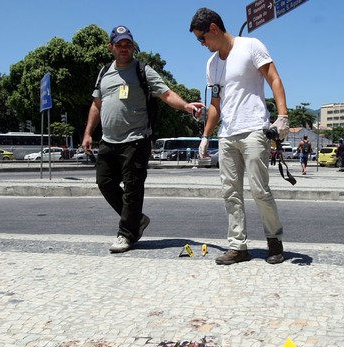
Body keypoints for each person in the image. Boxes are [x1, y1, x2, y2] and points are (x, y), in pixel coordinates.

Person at [82, 26, 204, 254]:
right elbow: (96, 105)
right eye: (119, 44)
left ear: (133, 46)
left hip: (136, 139)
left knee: (132, 188)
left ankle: (126, 234)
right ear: (111, 47)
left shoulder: (143, 70)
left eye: (128, 44)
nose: (124, 48)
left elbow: (166, 93)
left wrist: (187, 106)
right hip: (108, 140)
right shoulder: (104, 72)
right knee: (104, 182)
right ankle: (136, 219)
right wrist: (88, 132)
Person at [190, 8, 288, 265]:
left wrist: (283, 116)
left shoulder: (250, 46)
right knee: (229, 192)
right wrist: (205, 136)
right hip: (227, 135)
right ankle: (238, 246)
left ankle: (274, 240)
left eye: (202, 38)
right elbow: (215, 104)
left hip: (255, 129)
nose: (202, 45)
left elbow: (274, 79)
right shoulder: (212, 64)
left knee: (259, 190)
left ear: (213, 28)